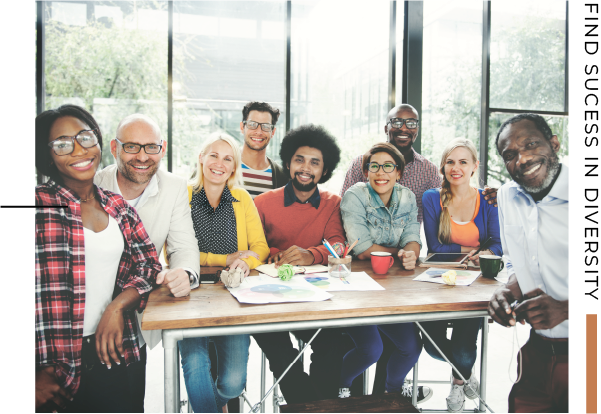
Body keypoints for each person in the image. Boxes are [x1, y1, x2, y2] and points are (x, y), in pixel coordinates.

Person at [35, 105, 162, 413]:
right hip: (55, 370)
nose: (79, 150)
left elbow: (149, 265)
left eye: (85, 137)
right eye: (62, 144)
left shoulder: (118, 207)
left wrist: (117, 306)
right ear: (47, 155)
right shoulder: (39, 207)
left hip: (119, 352)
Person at [252, 124, 346, 403]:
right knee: (280, 351)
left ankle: (312, 406)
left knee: (333, 343)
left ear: (324, 170)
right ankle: (314, 407)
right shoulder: (262, 203)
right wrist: (273, 252)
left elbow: (338, 245)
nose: (306, 168)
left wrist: (311, 254)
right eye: (299, 160)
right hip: (268, 302)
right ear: (288, 163)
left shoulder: (333, 203)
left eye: (315, 162)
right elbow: (252, 245)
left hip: (314, 301)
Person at [94, 114, 201, 353]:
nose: (142, 157)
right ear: (114, 148)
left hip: (138, 313)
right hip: (88, 313)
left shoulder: (174, 187)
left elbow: (183, 245)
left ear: (163, 149)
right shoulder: (93, 184)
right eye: (132, 146)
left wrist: (184, 273)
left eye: (151, 147)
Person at [180, 132, 269, 413]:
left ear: (234, 167)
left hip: (233, 296)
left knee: (232, 384)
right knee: (195, 364)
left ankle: (212, 405)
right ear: (201, 158)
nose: (220, 163)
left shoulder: (242, 198)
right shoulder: (182, 195)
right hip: (189, 296)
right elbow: (174, 253)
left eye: (228, 159)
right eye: (214, 155)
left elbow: (260, 248)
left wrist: (246, 263)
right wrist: (226, 258)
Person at [488, 114, 569, 413]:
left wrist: (565, 309)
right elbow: (516, 261)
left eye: (531, 144)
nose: (522, 159)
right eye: (510, 155)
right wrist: (508, 290)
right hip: (536, 350)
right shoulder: (507, 196)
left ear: (554, 144)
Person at [339, 142, 430, 403]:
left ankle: (392, 394)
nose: (381, 172)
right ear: (366, 172)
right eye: (374, 166)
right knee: (371, 349)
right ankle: (341, 387)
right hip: (358, 289)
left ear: (398, 172)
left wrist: (410, 253)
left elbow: (412, 237)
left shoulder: (407, 197)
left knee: (411, 347)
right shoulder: (355, 196)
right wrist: (400, 253)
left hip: (392, 289)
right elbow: (362, 248)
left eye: (388, 166)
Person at [421, 138, 502, 413]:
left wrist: (486, 252)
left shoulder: (487, 200)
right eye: (450, 162)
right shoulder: (432, 198)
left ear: (474, 166)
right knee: (432, 346)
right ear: (443, 166)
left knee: (465, 347)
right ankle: (466, 374)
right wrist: (473, 250)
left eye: (463, 162)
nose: (456, 168)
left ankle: (458, 382)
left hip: (475, 283)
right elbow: (435, 249)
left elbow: (498, 244)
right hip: (438, 282)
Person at [339, 104, 499, 223]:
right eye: (396, 122)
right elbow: (341, 208)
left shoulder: (428, 170)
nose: (404, 128)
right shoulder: (360, 163)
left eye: (411, 123)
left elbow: (450, 200)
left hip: (408, 251)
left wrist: (495, 197)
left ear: (417, 130)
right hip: (361, 247)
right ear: (386, 128)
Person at [239, 101, 289, 197]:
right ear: (242, 127)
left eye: (266, 126)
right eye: (252, 124)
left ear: (273, 132)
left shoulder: (282, 177)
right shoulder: (225, 166)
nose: (259, 132)